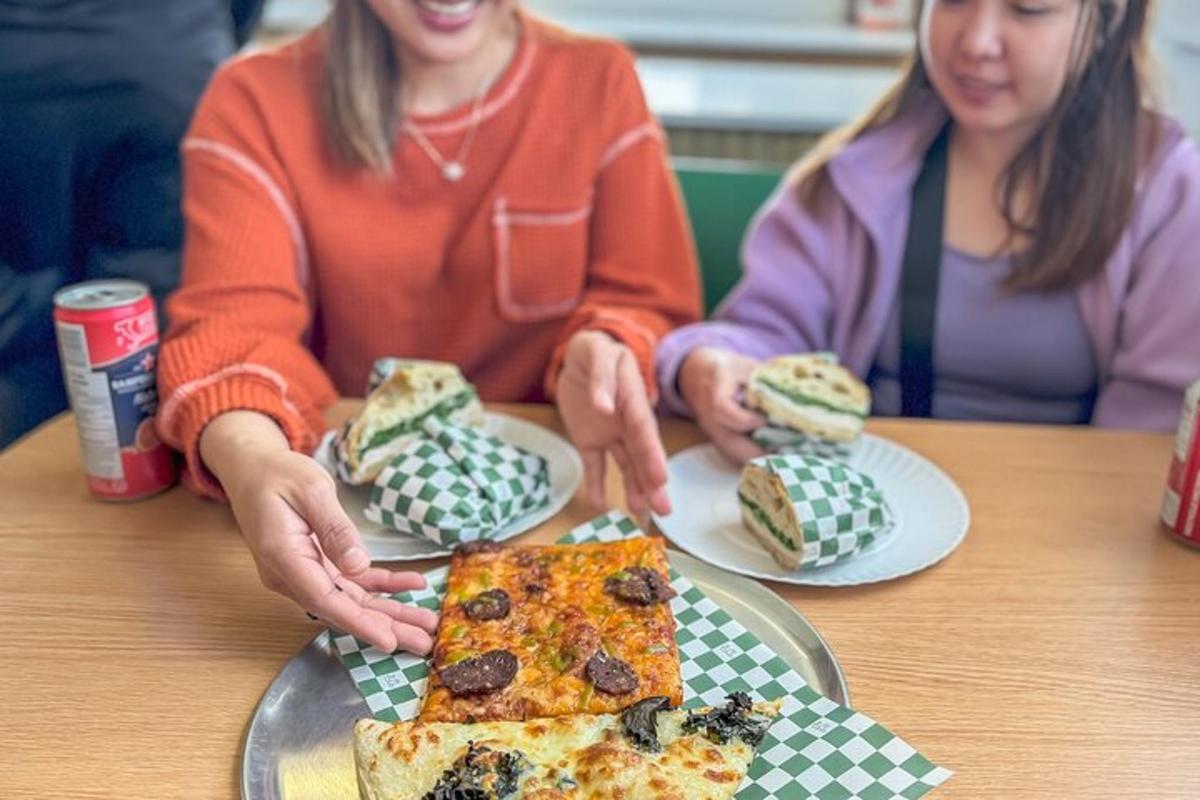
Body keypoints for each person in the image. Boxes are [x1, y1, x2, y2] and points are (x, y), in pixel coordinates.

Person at [156, 0, 701, 654]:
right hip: (351, 540)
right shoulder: (255, 101)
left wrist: (608, 344)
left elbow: (645, 299)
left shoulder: (598, 79)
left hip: (560, 518)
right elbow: (232, 329)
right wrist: (253, 462)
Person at [656, 0, 1200, 464]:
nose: (977, 41)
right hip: (879, 515)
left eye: (1028, 9)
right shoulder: (847, 181)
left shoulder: (1170, 196)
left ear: (1111, 18)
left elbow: (1150, 440)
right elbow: (763, 335)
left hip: (1071, 536)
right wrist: (708, 362)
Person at [0, 0, 264, 449]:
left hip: (15, 65)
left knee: (19, 296)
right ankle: (135, 468)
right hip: (165, 52)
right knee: (141, 315)